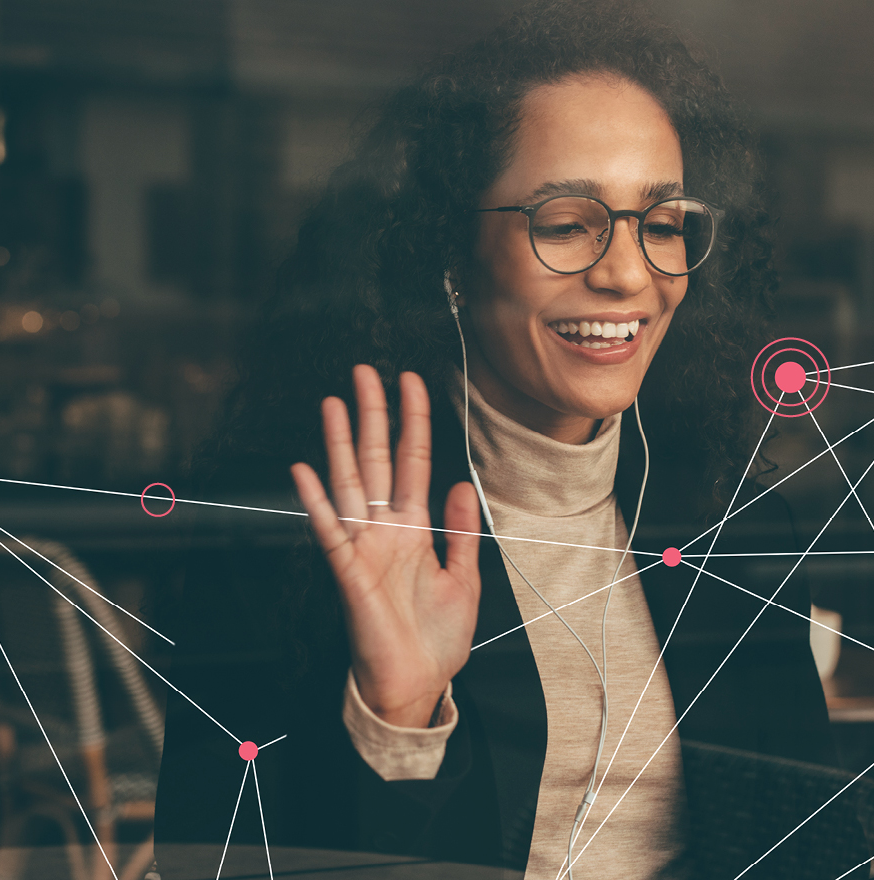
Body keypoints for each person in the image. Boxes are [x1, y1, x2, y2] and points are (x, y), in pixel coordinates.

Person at [153, 1, 835, 877]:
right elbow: (210, 863)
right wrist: (397, 721)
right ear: (452, 259)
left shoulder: (732, 532)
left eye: (661, 225)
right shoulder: (299, 538)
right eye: (565, 222)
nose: (627, 273)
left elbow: (814, 849)